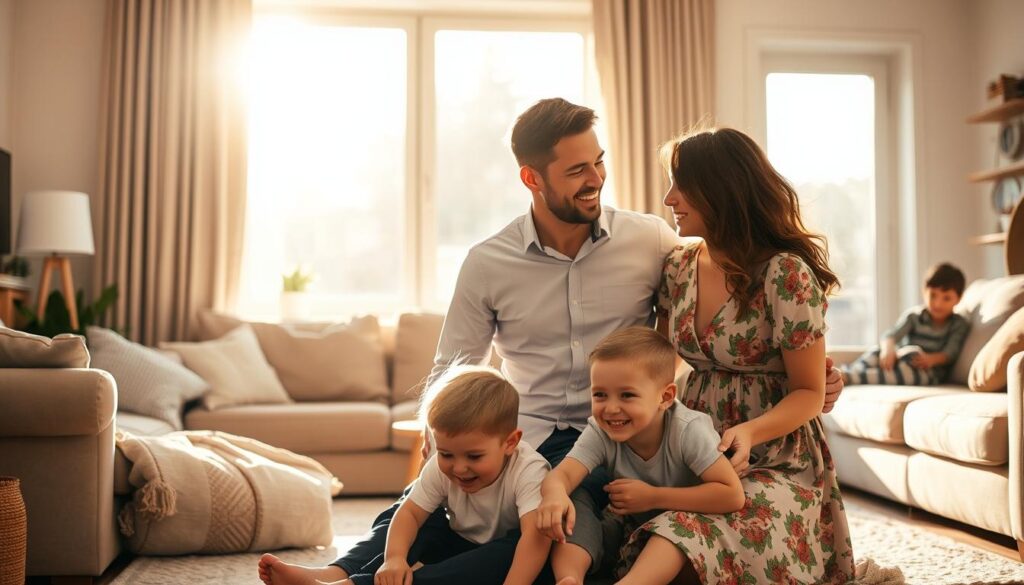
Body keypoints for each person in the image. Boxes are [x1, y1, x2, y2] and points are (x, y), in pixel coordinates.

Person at [257, 98, 846, 585]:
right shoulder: (490, 261)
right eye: (576, 171)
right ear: (532, 179)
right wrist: (442, 454)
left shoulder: (652, 242)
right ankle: (337, 574)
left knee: (540, 531)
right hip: (529, 428)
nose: (596, 181)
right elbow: (453, 367)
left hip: (615, 430)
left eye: (599, 163)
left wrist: (814, 377)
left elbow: (748, 291)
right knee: (434, 498)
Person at [625, 126, 855, 583]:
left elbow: (809, 392)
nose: (669, 198)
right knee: (642, 530)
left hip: (777, 455)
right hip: (694, 444)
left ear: (722, 189)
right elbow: (660, 364)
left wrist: (748, 432)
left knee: (690, 533)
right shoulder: (677, 267)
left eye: (681, 185)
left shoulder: (785, 275)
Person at [260, 366, 552, 585]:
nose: (459, 468)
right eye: (447, 453)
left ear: (510, 443)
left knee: (508, 551)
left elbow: (535, 540)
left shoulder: (529, 470)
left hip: (506, 559)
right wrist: (395, 559)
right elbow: (410, 514)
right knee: (423, 529)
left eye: (474, 457)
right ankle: (338, 575)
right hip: (456, 541)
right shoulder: (442, 464)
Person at [537, 326, 744, 585]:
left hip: (697, 525)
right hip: (636, 527)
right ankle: (570, 578)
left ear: (665, 397)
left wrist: (653, 497)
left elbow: (732, 495)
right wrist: (555, 493)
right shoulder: (601, 431)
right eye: (600, 394)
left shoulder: (687, 430)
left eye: (627, 395)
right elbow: (563, 474)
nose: (611, 408)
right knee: (573, 497)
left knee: (674, 526)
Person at [842, 262, 969, 386]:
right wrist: (888, 350)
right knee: (877, 351)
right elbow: (891, 335)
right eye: (933, 295)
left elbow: (950, 353)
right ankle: (846, 373)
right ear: (924, 292)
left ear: (959, 298)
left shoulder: (958, 324)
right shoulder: (914, 316)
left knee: (906, 374)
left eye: (946, 298)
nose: (937, 303)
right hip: (902, 357)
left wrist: (930, 359)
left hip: (928, 370)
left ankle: (849, 377)